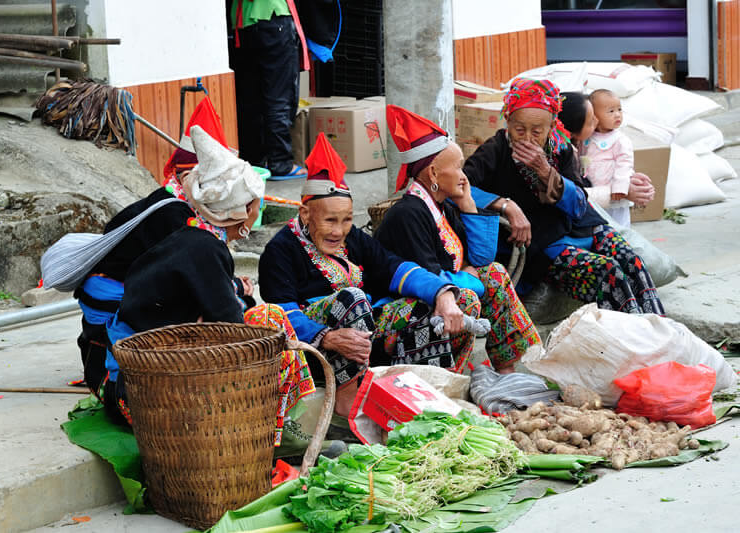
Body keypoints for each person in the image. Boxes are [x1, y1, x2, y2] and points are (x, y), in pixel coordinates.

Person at [74, 126, 315, 447]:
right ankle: (277, 432)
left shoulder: (192, 239)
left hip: (136, 383)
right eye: (256, 202)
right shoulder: (204, 250)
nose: (259, 210)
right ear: (242, 213)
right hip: (142, 397)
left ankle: (277, 425)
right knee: (269, 320)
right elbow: (234, 331)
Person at [259, 133, 479, 417]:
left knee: (438, 305)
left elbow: (395, 268)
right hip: (313, 351)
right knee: (352, 296)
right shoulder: (280, 250)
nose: (339, 231)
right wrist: (325, 336)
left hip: (365, 338)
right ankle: (349, 402)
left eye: (347, 219)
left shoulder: (354, 240)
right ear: (305, 214)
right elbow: (281, 315)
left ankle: (423, 395)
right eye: (330, 220)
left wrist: (443, 294)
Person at [463, 78, 665, 315]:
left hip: (580, 226)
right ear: (508, 121)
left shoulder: (563, 149)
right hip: (543, 240)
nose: (527, 138)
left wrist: (546, 171)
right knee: (608, 273)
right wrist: (506, 205)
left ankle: (656, 328)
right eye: (519, 129)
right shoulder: (495, 150)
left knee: (632, 261)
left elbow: (580, 205)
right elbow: (460, 187)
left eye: (537, 131)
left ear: (551, 127)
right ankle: (632, 340)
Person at [376, 105, 542, 373]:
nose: (464, 176)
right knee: (465, 296)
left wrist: (467, 204)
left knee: (495, 273)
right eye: (458, 167)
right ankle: (447, 376)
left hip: (444, 292)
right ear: (432, 174)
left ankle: (507, 370)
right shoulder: (408, 214)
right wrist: (468, 278)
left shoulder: (444, 206)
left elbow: (481, 260)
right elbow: (431, 279)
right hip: (403, 308)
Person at [228, 0, 309, 180]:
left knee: (250, 97)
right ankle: (280, 162)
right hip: (273, 16)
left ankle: (254, 161)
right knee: (279, 97)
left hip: (243, 24)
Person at [558, 91, 656, 217]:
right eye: (591, 120)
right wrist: (623, 192)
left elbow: (624, 163)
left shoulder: (619, 140)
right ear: (572, 133)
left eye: (619, 109)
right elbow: (573, 195)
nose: (596, 120)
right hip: (597, 201)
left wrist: (624, 182)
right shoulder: (564, 155)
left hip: (613, 196)